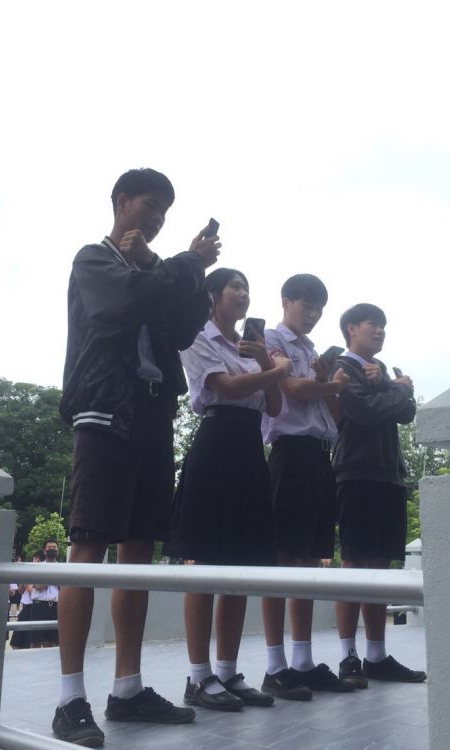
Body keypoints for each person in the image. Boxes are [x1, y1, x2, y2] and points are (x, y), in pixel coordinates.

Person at [54, 167, 219, 747]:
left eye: (164, 213)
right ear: (122, 201)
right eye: (150, 206)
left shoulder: (152, 274)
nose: (156, 219)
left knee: (139, 551)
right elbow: (121, 304)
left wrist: (179, 273)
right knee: (88, 547)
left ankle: (127, 688)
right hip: (105, 410)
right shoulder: (94, 260)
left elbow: (181, 330)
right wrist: (186, 262)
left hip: (152, 412)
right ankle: (69, 698)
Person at [165, 268, 290, 712]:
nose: (244, 294)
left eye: (247, 288)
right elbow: (226, 387)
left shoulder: (252, 347)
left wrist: (266, 363)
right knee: (204, 564)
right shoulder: (199, 337)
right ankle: (198, 677)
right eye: (235, 286)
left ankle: (227, 671)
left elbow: (275, 406)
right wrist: (278, 370)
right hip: (216, 447)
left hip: (250, 452)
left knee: (241, 567)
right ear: (214, 295)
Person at [260, 274, 356, 698]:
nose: (313, 315)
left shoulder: (313, 351)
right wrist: (329, 384)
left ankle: (302, 660)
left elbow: (335, 414)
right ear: (286, 301)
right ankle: (275, 665)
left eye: (319, 309)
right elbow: (292, 390)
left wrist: (327, 383)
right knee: (282, 559)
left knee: (310, 560)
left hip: (318, 454)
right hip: (289, 452)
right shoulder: (270, 340)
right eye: (306, 306)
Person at [332, 303, 426, 683]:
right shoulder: (340, 366)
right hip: (356, 474)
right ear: (351, 328)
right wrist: (399, 389)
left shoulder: (380, 370)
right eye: (373, 324)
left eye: (384, 325)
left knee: (380, 567)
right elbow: (364, 411)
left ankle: (376, 656)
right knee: (354, 563)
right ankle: (348, 658)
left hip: (389, 477)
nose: (381, 330)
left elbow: (407, 413)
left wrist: (388, 385)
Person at [9, 550, 46, 650]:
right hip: (25, 607)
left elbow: (30, 590)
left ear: (36, 559)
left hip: (32, 607)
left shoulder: (39, 573)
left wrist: (28, 577)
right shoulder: (29, 573)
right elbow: (20, 592)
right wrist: (24, 581)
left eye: (34, 559)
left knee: (28, 642)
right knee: (16, 642)